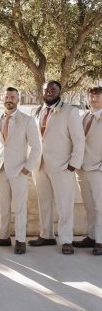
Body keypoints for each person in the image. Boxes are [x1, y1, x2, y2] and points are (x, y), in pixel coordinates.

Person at [29, 81, 85, 254]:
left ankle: (66, 240)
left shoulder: (70, 111)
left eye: (53, 89)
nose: (49, 92)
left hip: (62, 166)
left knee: (64, 205)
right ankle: (46, 235)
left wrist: (73, 165)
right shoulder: (36, 111)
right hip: (40, 164)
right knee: (44, 203)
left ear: (60, 91)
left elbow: (79, 139)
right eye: (46, 89)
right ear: (42, 91)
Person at [0, 87, 41, 254]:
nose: (9, 99)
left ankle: (20, 240)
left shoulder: (27, 120)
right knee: (3, 205)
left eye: (12, 96)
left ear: (18, 99)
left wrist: (27, 168)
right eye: (7, 96)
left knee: (19, 206)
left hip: (19, 170)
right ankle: (3, 237)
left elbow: (36, 147)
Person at [73, 86, 102, 255]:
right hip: (82, 168)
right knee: (89, 206)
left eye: (98, 96)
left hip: (98, 169)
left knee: (100, 206)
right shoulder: (83, 117)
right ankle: (91, 236)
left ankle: (100, 240)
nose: (94, 99)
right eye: (91, 96)